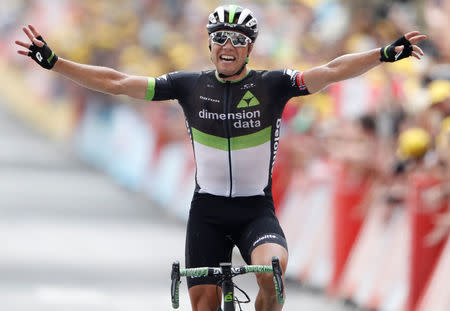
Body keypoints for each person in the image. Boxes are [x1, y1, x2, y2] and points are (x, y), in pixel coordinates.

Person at [15, 5, 426, 311]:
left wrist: (384, 54)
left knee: (272, 271)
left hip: (254, 211)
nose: (228, 46)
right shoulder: (187, 85)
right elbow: (118, 82)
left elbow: (332, 69)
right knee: (205, 304)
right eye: (220, 38)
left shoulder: (274, 84)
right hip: (207, 213)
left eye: (238, 40)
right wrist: (54, 63)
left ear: (249, 48)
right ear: (209, 44)